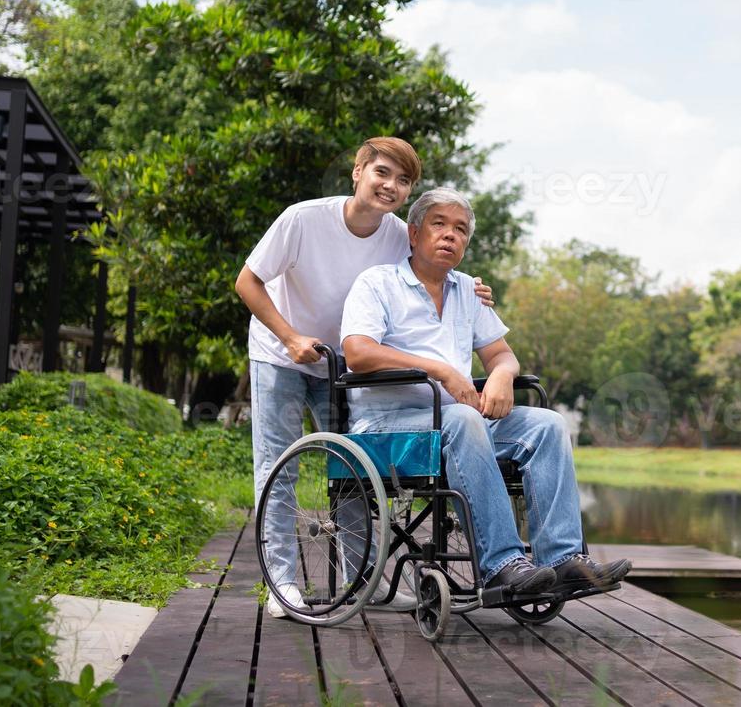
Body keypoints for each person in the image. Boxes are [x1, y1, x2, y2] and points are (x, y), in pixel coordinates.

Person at [235, 138, 495, 618]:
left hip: (349, 365)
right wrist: (291, 337)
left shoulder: (399, 232)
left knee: (353, 470)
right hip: (282, 354)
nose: (390, 186)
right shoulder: (303, 219)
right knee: (278, 467)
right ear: (357, 171)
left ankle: (364, 578)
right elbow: (246, 281)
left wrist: (472, 286)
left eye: (402, 180)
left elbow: (434, 263)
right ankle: (282, 584)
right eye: (382, 173)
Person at [340, 186, 631, 604]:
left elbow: (502, 354)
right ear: (414, 233)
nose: (449, 236)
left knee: (548, 424)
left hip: (460, 422)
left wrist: (502, 376)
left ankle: (565, 559)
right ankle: (502, 566)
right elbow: (358, 352)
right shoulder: (377, 283)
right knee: (463, 418)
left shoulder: (467, 292)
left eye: (460, 230)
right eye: (438, 225)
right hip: (388, 430)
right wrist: (439, 369)